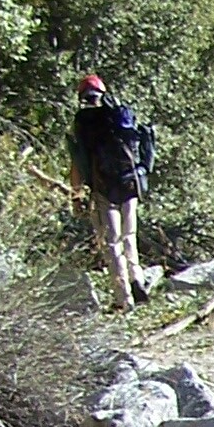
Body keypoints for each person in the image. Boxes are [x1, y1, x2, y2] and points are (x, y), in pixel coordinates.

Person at [68, 73, 150, 308]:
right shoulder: (119, 116)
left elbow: (77, 160)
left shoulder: (82, 122)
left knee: (112, 242)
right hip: (130, 184)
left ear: (82, 97)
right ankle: (138, 280)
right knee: (129, 236)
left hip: (104, 188)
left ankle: (123, 298)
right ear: (102, 94)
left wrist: (76, 196)